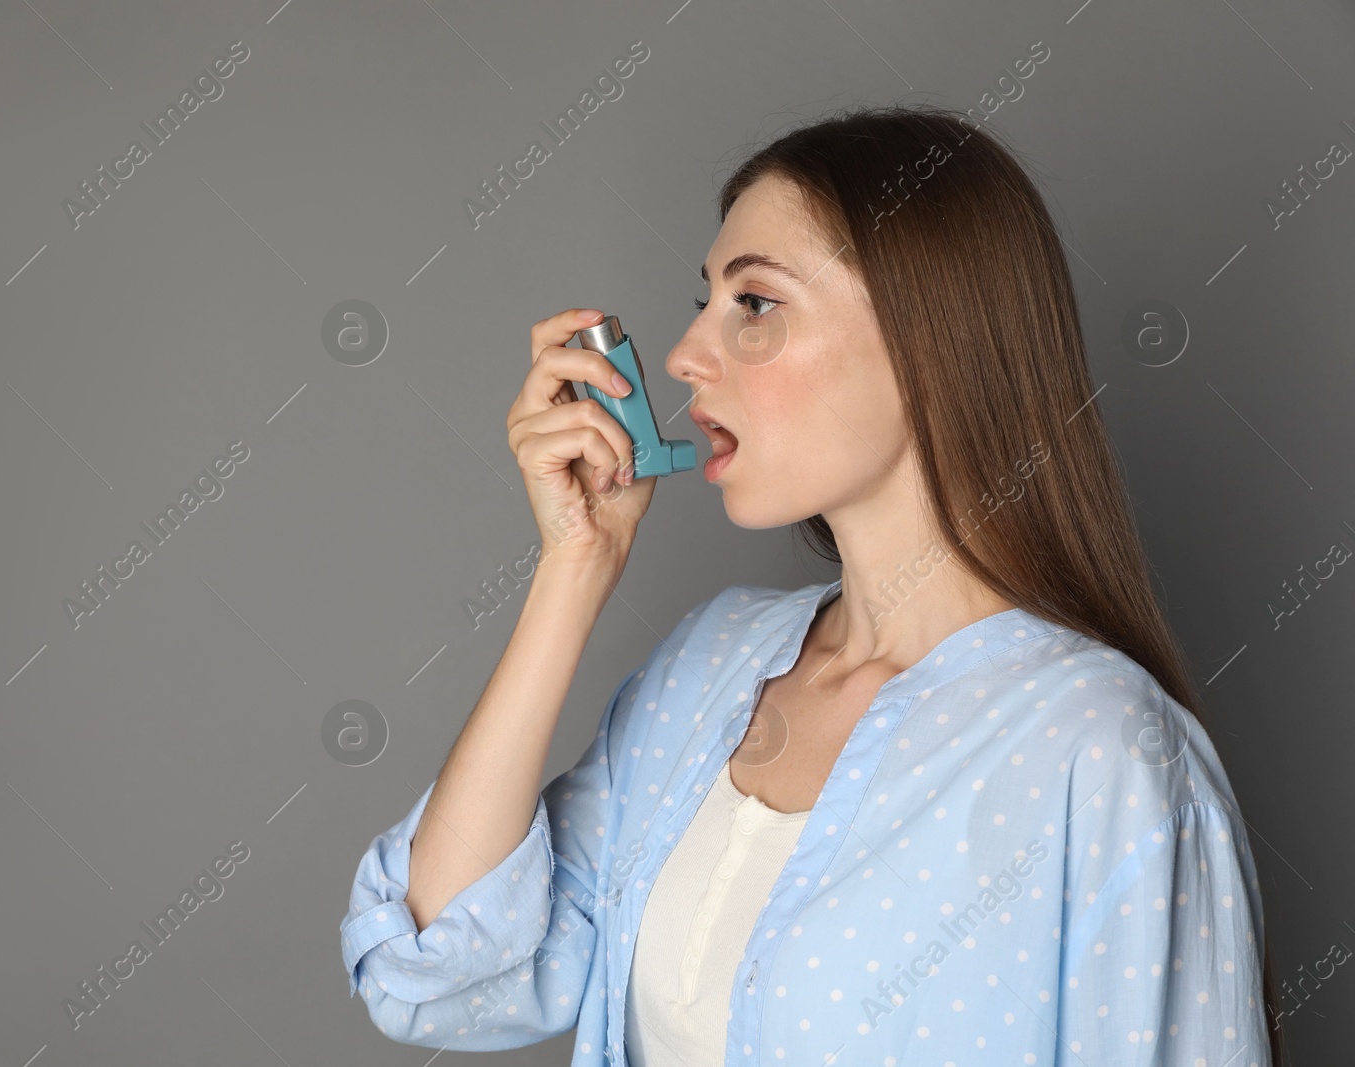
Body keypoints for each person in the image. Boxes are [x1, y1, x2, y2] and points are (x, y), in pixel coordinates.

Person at [339, 102, 1284, 1066]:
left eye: (754, 304)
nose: (685, 354)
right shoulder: (709, 666)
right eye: (704, 298)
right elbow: (437, 975)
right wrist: (575, 569)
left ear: (932, 343)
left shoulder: (1107, 752)